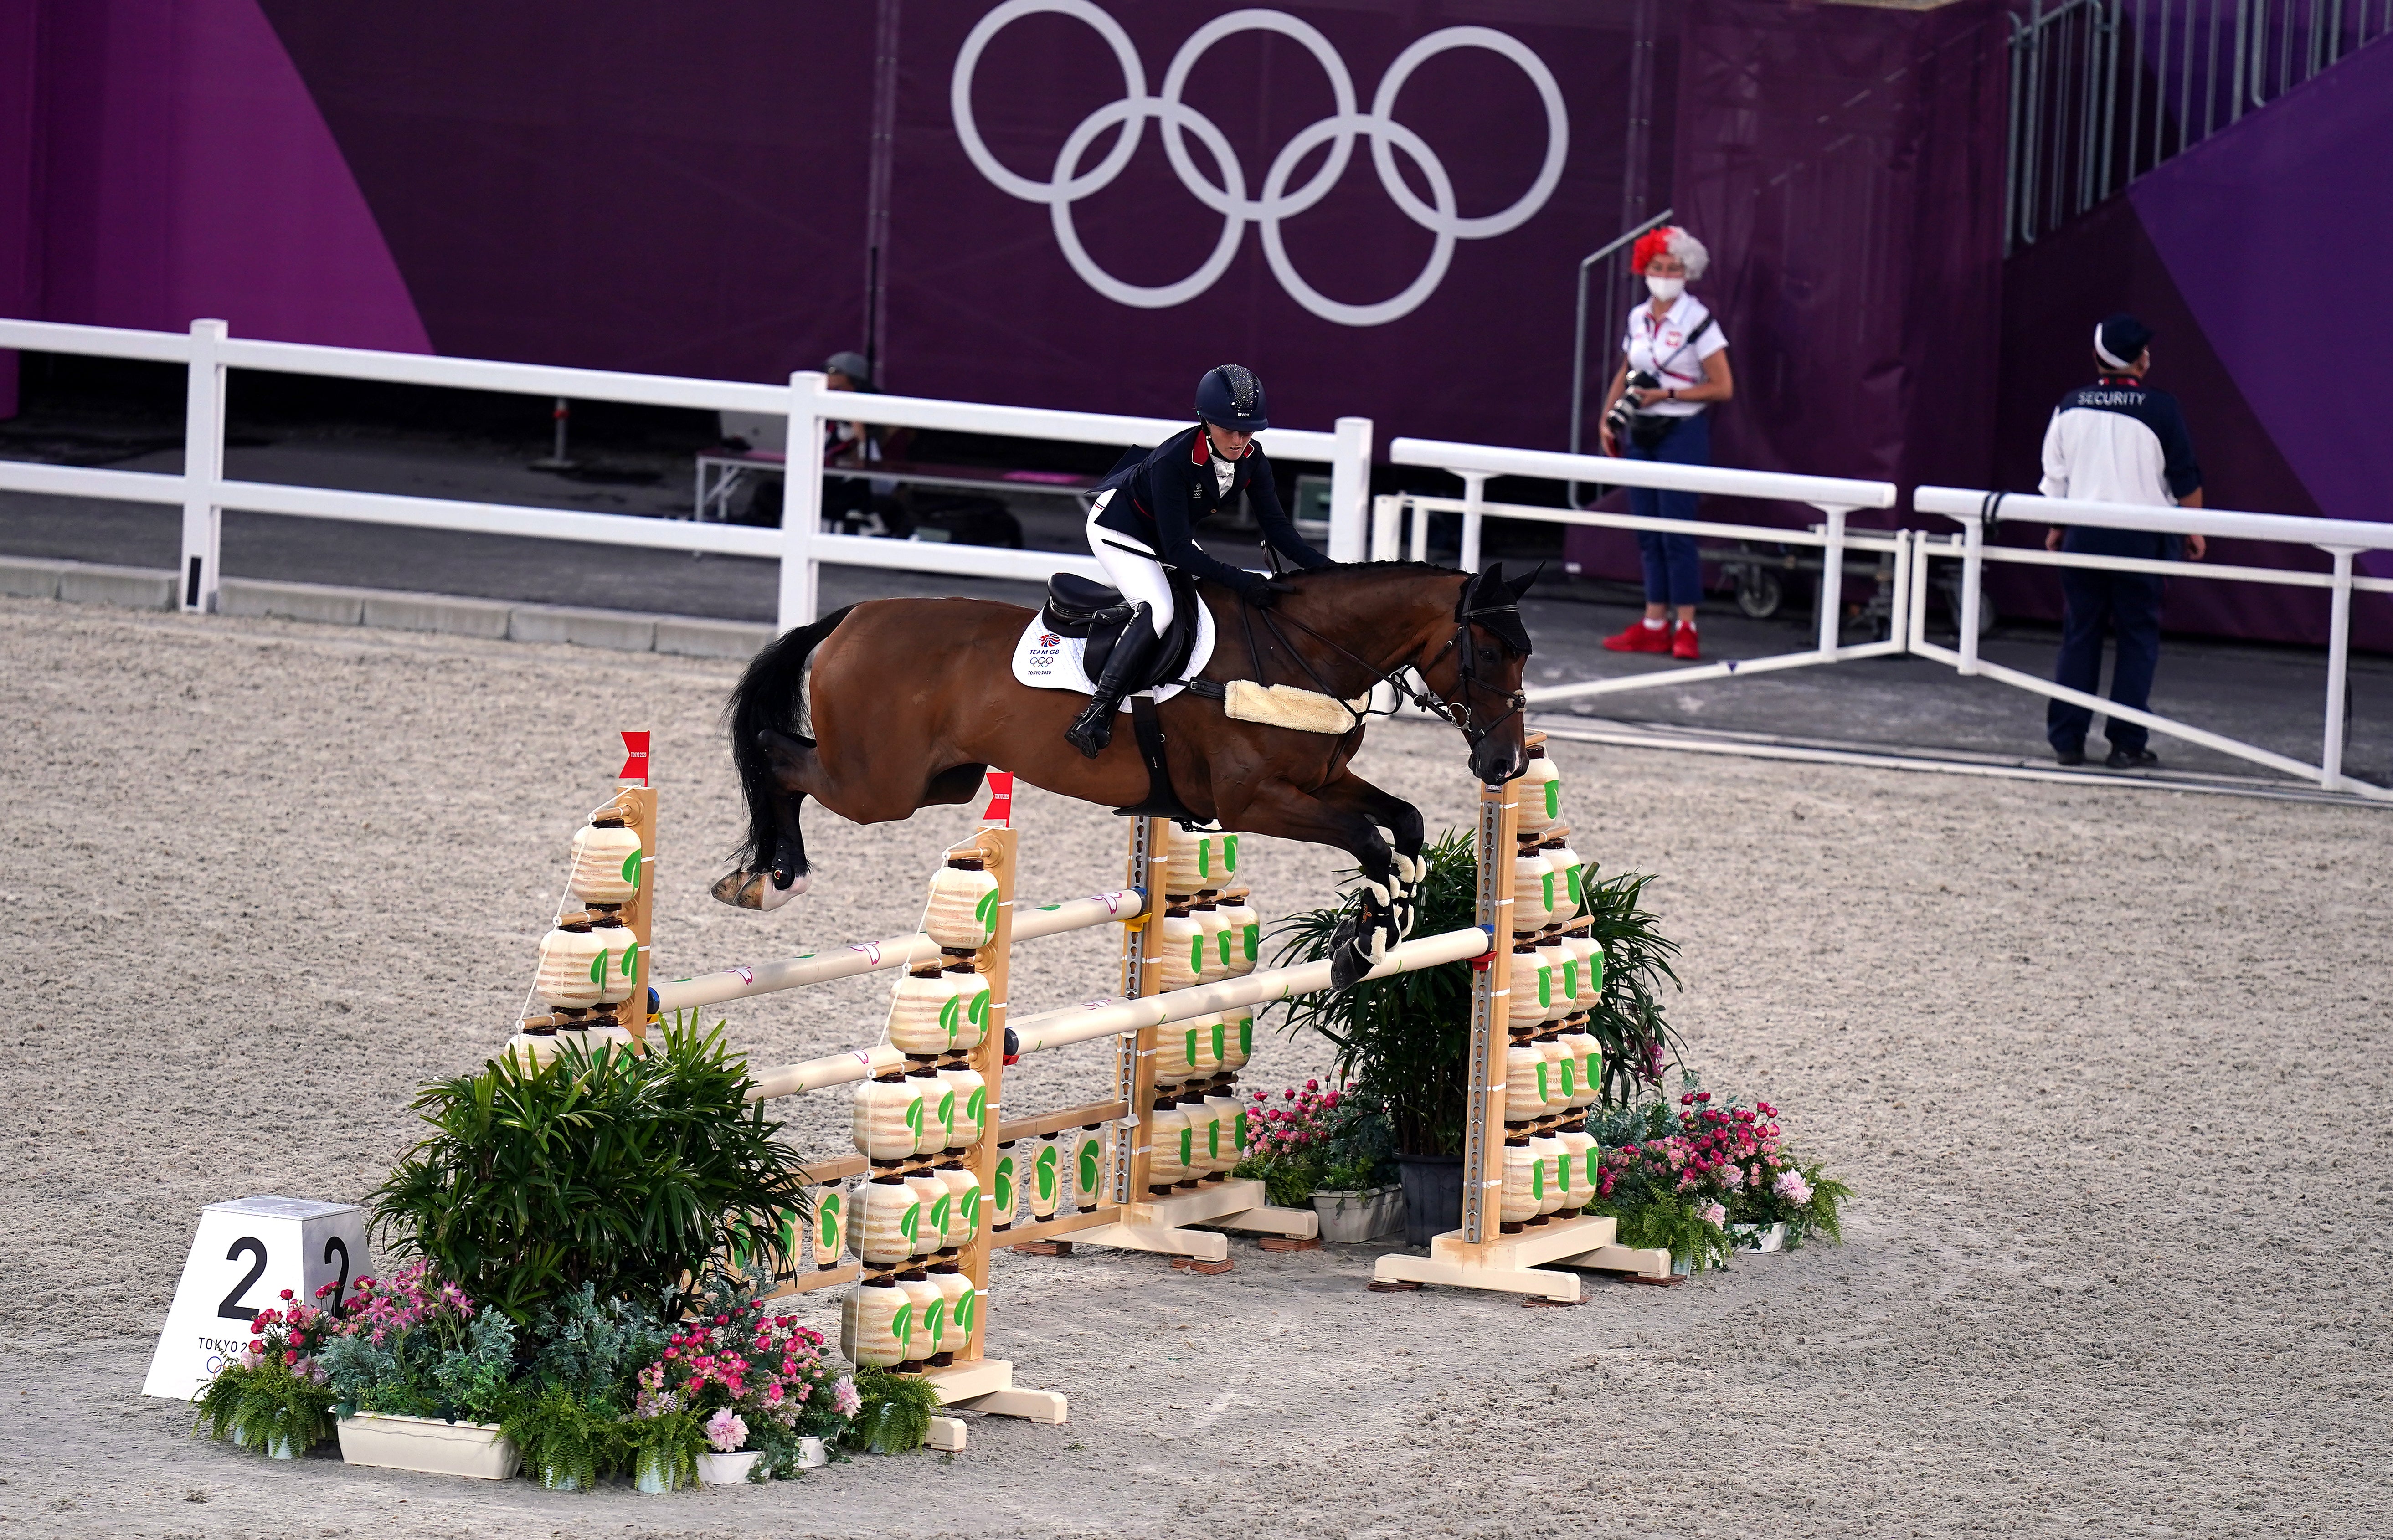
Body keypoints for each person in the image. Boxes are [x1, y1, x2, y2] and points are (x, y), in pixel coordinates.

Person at [1065, 364, 1331, 757]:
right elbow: (1178, 552)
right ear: (1206, 422)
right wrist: (1243, 580)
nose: (1241, 440)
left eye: (1249, 431)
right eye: (1230, 430)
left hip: (1166, 533)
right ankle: (1096, 713)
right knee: (1158, 610)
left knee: (1210, 605)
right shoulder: (1174, 461)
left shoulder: (1253, 459)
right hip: (1119, 528)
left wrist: (1330, 571)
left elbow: (1277, 530)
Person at [2038, 313, 2205, 769]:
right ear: (2141, 361)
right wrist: (2194, 530)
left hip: (2082, 537)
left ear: (2095, 358)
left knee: (2079, 636)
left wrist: (2057, 528)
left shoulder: (2069, 406)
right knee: (2136, 640)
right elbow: (2185, 478)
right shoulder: (2161, 409)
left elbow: (2056, 480)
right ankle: (2126, 743)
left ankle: (2067, 741)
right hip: (2141, 543)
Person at [1598, 224, 1735, 662]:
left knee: (1676, 533)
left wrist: (1668, 395)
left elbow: (1722, 386)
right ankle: (1654, 621)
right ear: (1644, 268)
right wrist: (1608, 415)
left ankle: (1687, 625)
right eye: (1657, 266)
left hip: (1681, 433)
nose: (1664, 274)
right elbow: (1627, 369)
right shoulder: (1638, 317)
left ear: (1687, 272)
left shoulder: (1697, 320)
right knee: (1647, 531)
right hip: (1641, 429)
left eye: (1673, 268)